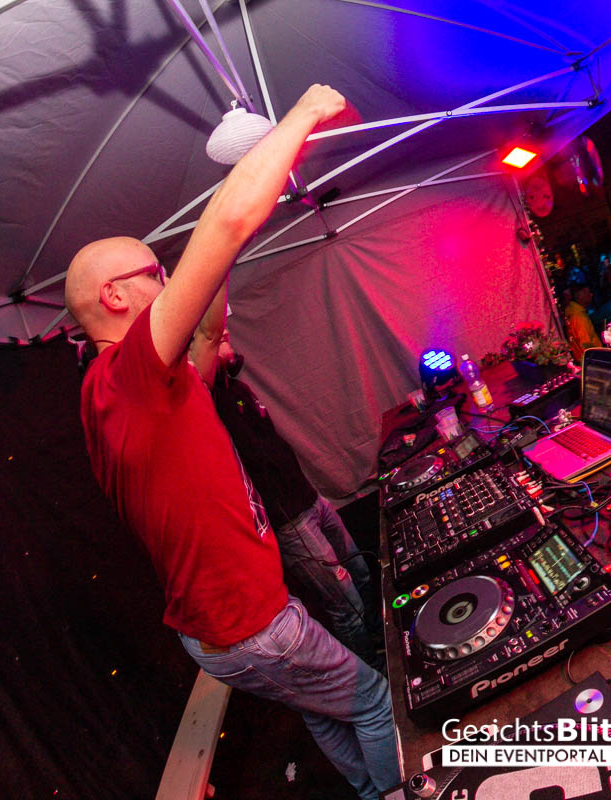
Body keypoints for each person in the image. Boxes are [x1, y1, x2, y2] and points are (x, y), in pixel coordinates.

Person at [63, 85, 400, 799]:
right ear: (115, 298)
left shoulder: (132, 389)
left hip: (227, 630)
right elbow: (223, 228)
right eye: (153, 275)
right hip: (250, 626)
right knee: (374, 700)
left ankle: (371, 792)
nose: (167, 283)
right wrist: (300, 117)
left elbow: (210, 326)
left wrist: (213, 249)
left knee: (325, 708)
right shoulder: (127, 376)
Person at [195, 332, 383, 667]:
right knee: (346, 606)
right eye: (218, 338)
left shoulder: (237, 389)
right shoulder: (209, 403)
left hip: (311, 501)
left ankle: (382, 642)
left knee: (362, 573)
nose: (226, 336)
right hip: (290, 523)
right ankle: (372, 673)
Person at [564, 282, 601, 361]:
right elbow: (586, 344)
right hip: (593, 359)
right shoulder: (578, 316)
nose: (591, 295)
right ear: (579, 296)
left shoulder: (573, 311)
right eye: (587, 292)